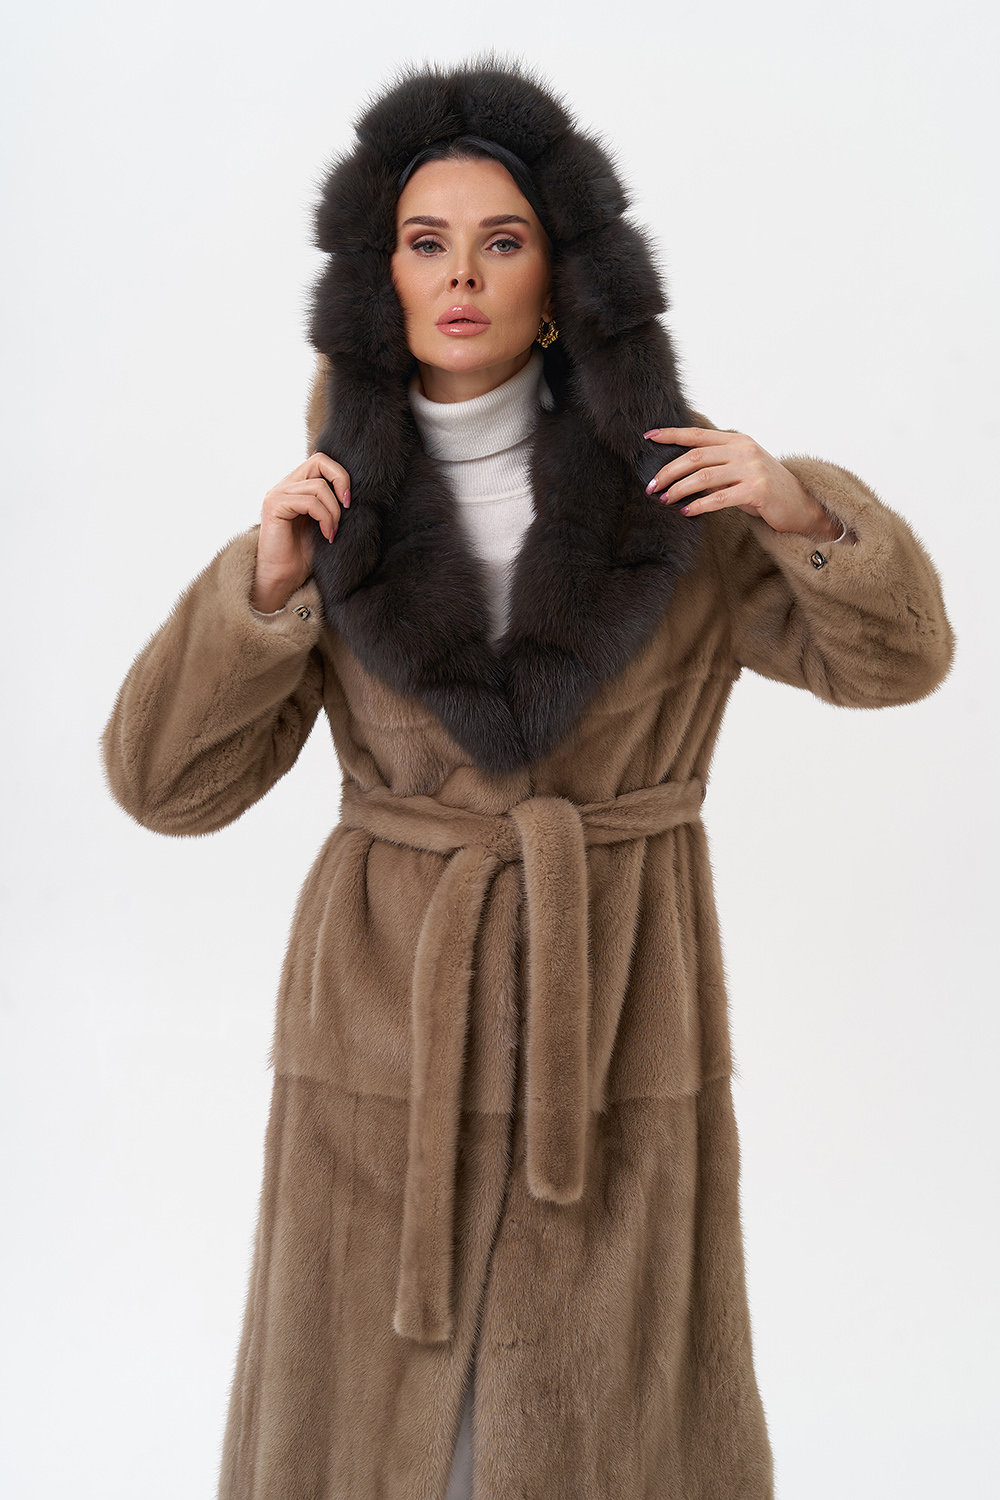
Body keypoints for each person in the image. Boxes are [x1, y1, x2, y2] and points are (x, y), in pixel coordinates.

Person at [100, 60, 954, 1500]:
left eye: (501, 241)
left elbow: (898, 662)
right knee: (376, 1429)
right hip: (385, 1022)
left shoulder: (677, 497)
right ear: (377, 277)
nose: (461, 276)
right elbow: (164, 786)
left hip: (615, 1009)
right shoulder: (329, 513)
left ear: (561, 278)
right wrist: (264, 592)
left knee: (603, 1419)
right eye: (424, 242)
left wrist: (801, 506)